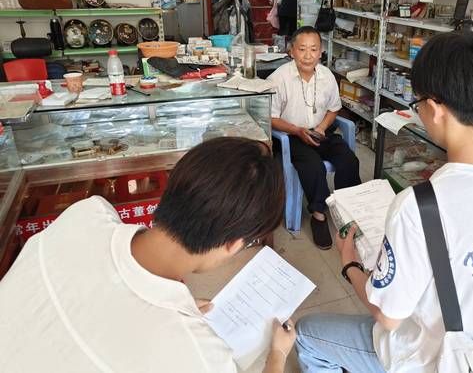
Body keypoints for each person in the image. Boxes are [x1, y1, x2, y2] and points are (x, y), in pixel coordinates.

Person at [294, 32, 473, 372]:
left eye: (416, 103)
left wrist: (349, 263)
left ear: (434, 110)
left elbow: (388, 317)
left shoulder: (419, 205)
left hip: (434, 360)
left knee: (307, 333)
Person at [0, 137, 296, 373]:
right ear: (232, 244)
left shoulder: (85, 214)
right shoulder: (200, 357)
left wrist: (171, 307)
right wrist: (278, 354)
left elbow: (95, 300)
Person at [268, 26, 361, 250]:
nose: (308, 55)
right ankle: (319, 215)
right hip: (291, 136)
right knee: (313, 166)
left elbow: (334, 108)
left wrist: (321, 127)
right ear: (292, 51)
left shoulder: (327, 76)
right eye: (302, 49)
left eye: (313, 49)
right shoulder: (279, 78)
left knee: (349, 159)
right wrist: (297, 131)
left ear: (321, 52)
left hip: (320, 131)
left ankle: (348, 210)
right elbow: (270, 118)